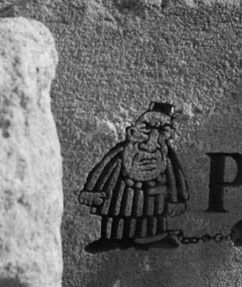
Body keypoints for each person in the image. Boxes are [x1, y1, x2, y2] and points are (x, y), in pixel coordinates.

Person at [78, 102, 188, 253]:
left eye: (161, 131)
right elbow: (105, 167)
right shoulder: (124, 151)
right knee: (115, 217)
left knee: (153, 218)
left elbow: (175, 176)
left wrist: (176, 200)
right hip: (121, 194)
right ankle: (111, 239)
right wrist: (92, 191)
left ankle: (155, 237)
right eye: (147, 129)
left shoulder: (166, 156)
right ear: (134, 130)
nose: (151, 140)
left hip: (154, 199)